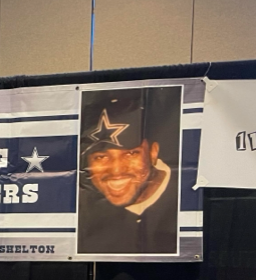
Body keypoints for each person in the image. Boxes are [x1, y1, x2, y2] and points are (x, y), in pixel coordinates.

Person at [75, 92, 180, 255]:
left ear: (153, 153)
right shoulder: (80, 211)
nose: (116, 170)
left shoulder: (190, 198)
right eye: (101, 157)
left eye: (131, 154)